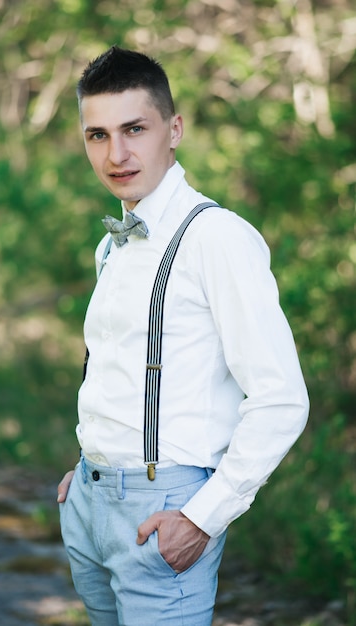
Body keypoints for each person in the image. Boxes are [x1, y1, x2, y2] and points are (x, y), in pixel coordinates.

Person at [57, 45, 309, 626]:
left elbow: (281, 399)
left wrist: (202, 518)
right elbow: (112, 367)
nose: (116, 154)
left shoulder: (216, 238)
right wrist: (87, 467)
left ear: (173, 129)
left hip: (165, 511)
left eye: (134, 129)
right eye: (97, 135)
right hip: (90, 504)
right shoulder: (112, 243)